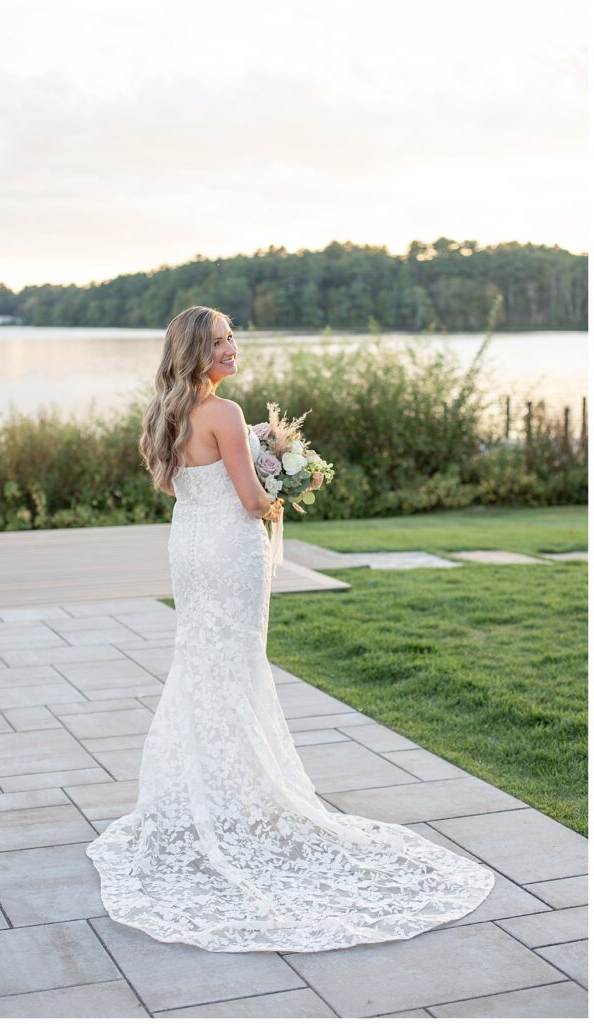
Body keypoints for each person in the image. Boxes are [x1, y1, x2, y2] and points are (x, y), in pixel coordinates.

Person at [85, 304, 495, 953]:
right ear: (196, 351)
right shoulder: (222, 412)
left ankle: (211, 791)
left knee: (202, 663)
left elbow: (179, 489)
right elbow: (250, 499)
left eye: (230, 338)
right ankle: (241, 794)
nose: (231, 348)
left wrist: (264, 474)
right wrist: (280, 491)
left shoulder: (167, 410)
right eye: (219, 342)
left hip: (189, 547)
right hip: (230, 551)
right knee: (238, 662)